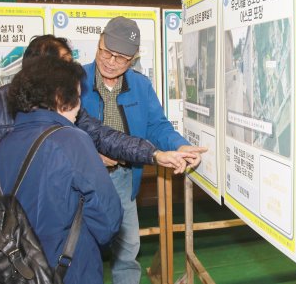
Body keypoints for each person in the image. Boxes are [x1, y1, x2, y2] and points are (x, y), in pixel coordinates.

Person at [0, 35, 196, 230]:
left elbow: (104, 136)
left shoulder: (66, 105)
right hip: (7, 225)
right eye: (65, 64)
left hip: (55, 219)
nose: (73, 70)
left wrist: (154, 155)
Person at [80, 16, 208, 284]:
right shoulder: (76, 82)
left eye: (121, 58)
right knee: (81, 251)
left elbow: (157, 127)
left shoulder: (140, 86)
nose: (110, 61)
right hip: (82, 180)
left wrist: (179, 144)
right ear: (99, 41)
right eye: (106, 51)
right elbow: (63, 131)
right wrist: (91, 156)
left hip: (123, 178)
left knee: (127, 252)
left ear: (134, 58)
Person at [0, 56, 120, 284]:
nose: (79, 106)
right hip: (69, 271)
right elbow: (109, 219)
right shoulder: (72, 140)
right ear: (59, 97)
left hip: (15, 273)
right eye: (76, 96)